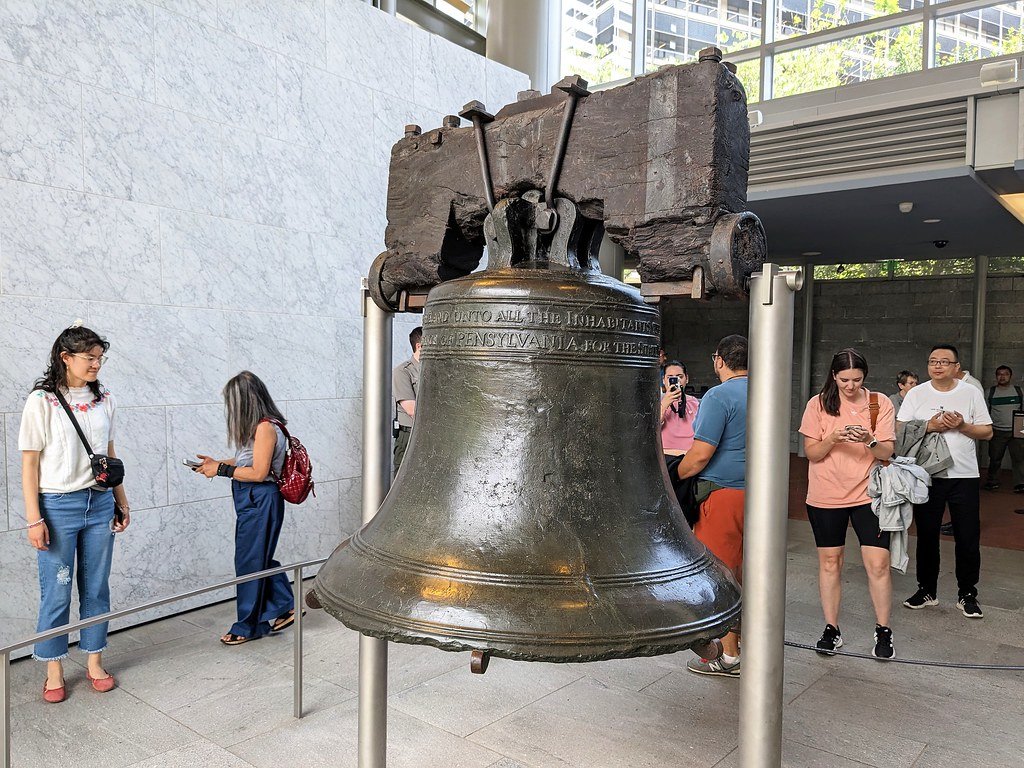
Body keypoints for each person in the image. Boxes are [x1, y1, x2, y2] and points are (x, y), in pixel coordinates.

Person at [19, 323, 131, 703]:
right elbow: (30, 464)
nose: (96, 364)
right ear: (65, 357)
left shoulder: (105, 399)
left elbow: (109, 455)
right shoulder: (42, 401)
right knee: (57, 590)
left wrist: (121, 500)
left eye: (100, 358)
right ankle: (54, 669)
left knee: (97, 587)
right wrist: (34, 518)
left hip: (98, 502)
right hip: (57, 506)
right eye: (89, 358)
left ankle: (95, 661)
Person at [799, 349, 897, 659]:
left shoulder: (879, 403)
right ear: (833, 376)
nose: (850, 386)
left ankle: (884, 630)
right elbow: (812, 453)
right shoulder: (818, 404)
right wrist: (833, 439)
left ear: (864, 377)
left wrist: (868, 439)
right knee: (830, 563)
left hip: (869, 494)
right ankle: (832, 628)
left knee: (878, 564)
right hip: (826, 495)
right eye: (844, 380)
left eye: (857, 380)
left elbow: (886, 453)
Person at [194, 372, 296, 645]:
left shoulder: (265, 427)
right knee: (257, 558)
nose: (231, 409)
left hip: (259, 497)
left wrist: (223, 470)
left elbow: (259, 472)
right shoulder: (260, 427)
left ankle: (248, 626)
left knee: (250, 563)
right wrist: (215, 464)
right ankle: (284, 605)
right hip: (254, 499)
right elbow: (247, 461)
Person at [898, 344, 992, 619]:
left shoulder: (970, 392)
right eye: (932, 361)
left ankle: (967, 594)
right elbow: (900, 429)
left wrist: (962, 426)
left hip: (964, 475)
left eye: (944, 361)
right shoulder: (917, 393)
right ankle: (927, 590)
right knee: (927, 534)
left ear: (956, 367)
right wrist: (930, 426)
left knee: (967, 536)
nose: (937, 366)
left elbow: (986, 433)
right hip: (927, 474)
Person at [673, 335, 748, 677]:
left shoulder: (718, 396)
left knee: (722, 574)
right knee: (751, 573)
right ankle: (750, 644)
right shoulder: (768, 390)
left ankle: (729, 656)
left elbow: (700, 455)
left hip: (724, 495)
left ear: (719, 361)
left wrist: (676, 476)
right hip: (763, 496)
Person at [983, 365, 1024, 493]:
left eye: (1005, 374)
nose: (1002, 376)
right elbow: (984, 411)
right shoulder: (990, 392)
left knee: (1019, 458)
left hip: (1017, 431)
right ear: (996, 377)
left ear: (1010, 376)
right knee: (995, 458)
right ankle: (992, 481)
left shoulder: (1019, 391)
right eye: (999, 374)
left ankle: (1020, 483)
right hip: (997, 430)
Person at [393, 327, 422, 473]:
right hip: (409, 436)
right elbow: (412, 410)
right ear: (419, 346)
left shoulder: (435, 371)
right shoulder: (403, 371)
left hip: (429, 434)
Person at [660, 361, 700, 457]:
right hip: (665, 455)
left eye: (680, 377)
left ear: (687, 379)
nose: (675, 381)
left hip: (689, 456)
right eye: (670, 378)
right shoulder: (656, 402)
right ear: (663, 380)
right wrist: (664, 404)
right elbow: (648, 429)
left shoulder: (695, 403)